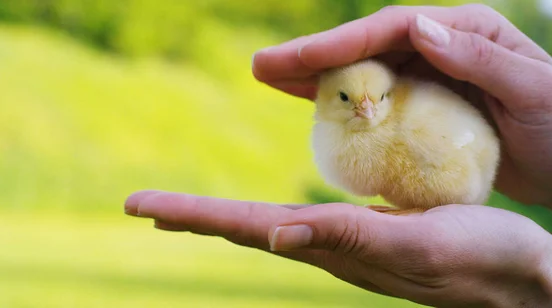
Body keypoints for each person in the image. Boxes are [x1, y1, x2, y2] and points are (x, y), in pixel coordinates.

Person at [124, 4, 552, 307]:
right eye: (350, 99)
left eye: (377, 99)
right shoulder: (363, 125)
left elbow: (467, 152)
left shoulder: (418, 122)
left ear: (390, 92)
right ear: (328, 100)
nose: (367, 110)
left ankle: (428, 207)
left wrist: (538, 271)